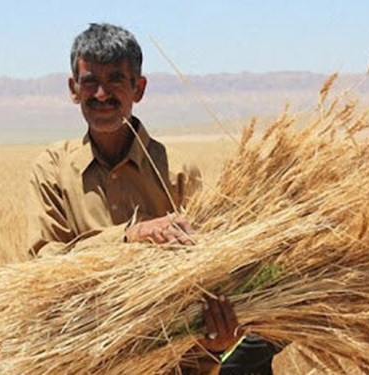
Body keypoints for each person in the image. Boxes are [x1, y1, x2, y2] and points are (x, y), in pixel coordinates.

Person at [28, 23, 278, 374]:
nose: (101, 93)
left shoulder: (177, 171)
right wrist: (131, 236)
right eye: (89, 81)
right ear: (73, 89)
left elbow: (209, 277)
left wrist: (218, 342)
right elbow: (44, 268)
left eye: (115, 79)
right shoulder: (52, 170)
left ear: (139, 88)